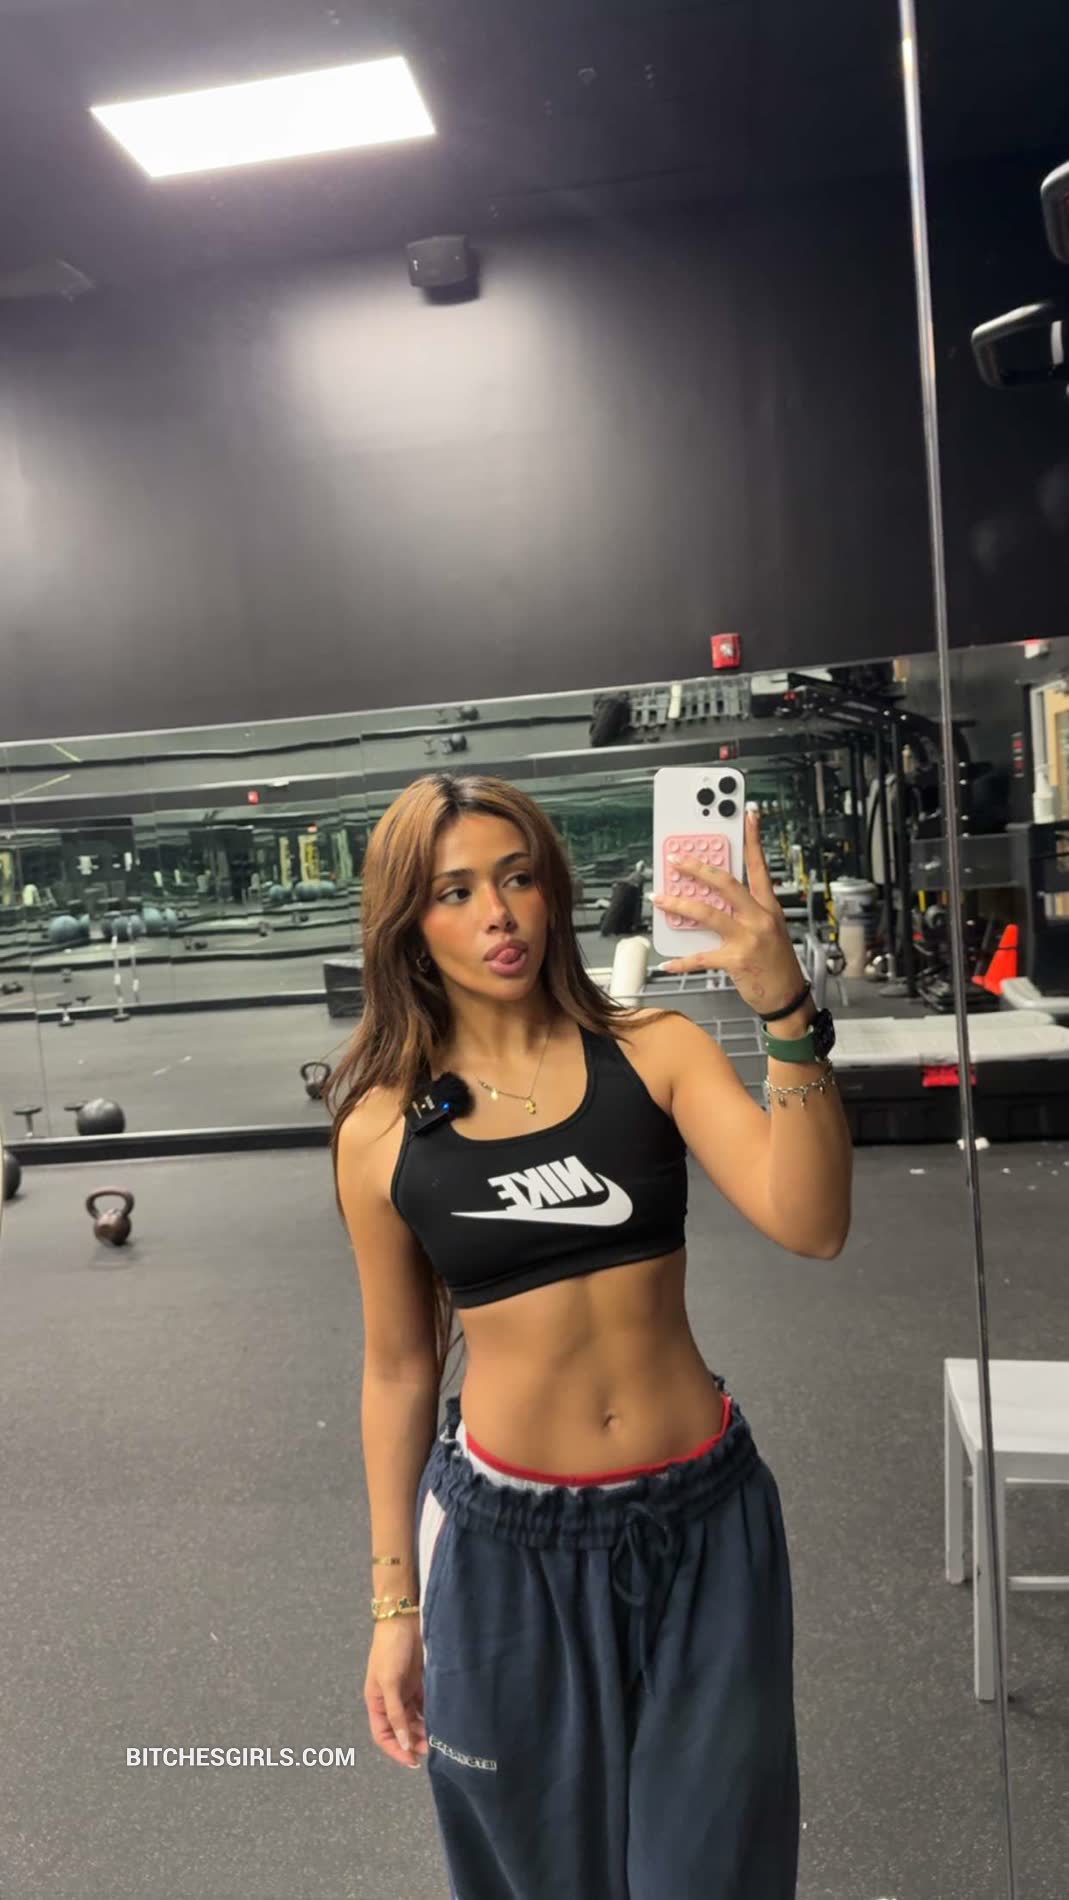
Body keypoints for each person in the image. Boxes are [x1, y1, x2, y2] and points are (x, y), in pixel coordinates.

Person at [330, 771, 852, 1900]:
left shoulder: (653, 1049)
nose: (499, 914)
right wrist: (392, 1608)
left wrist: (785, 1013)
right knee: (539, 1876)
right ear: (408, 924)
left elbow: (811, 1223)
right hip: (504, 1550)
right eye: (455, 892)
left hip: (701, 1526)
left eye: (517, 878)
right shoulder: (380, 1130)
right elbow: (398, 1369)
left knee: (708, 1874)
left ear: (553, 890)